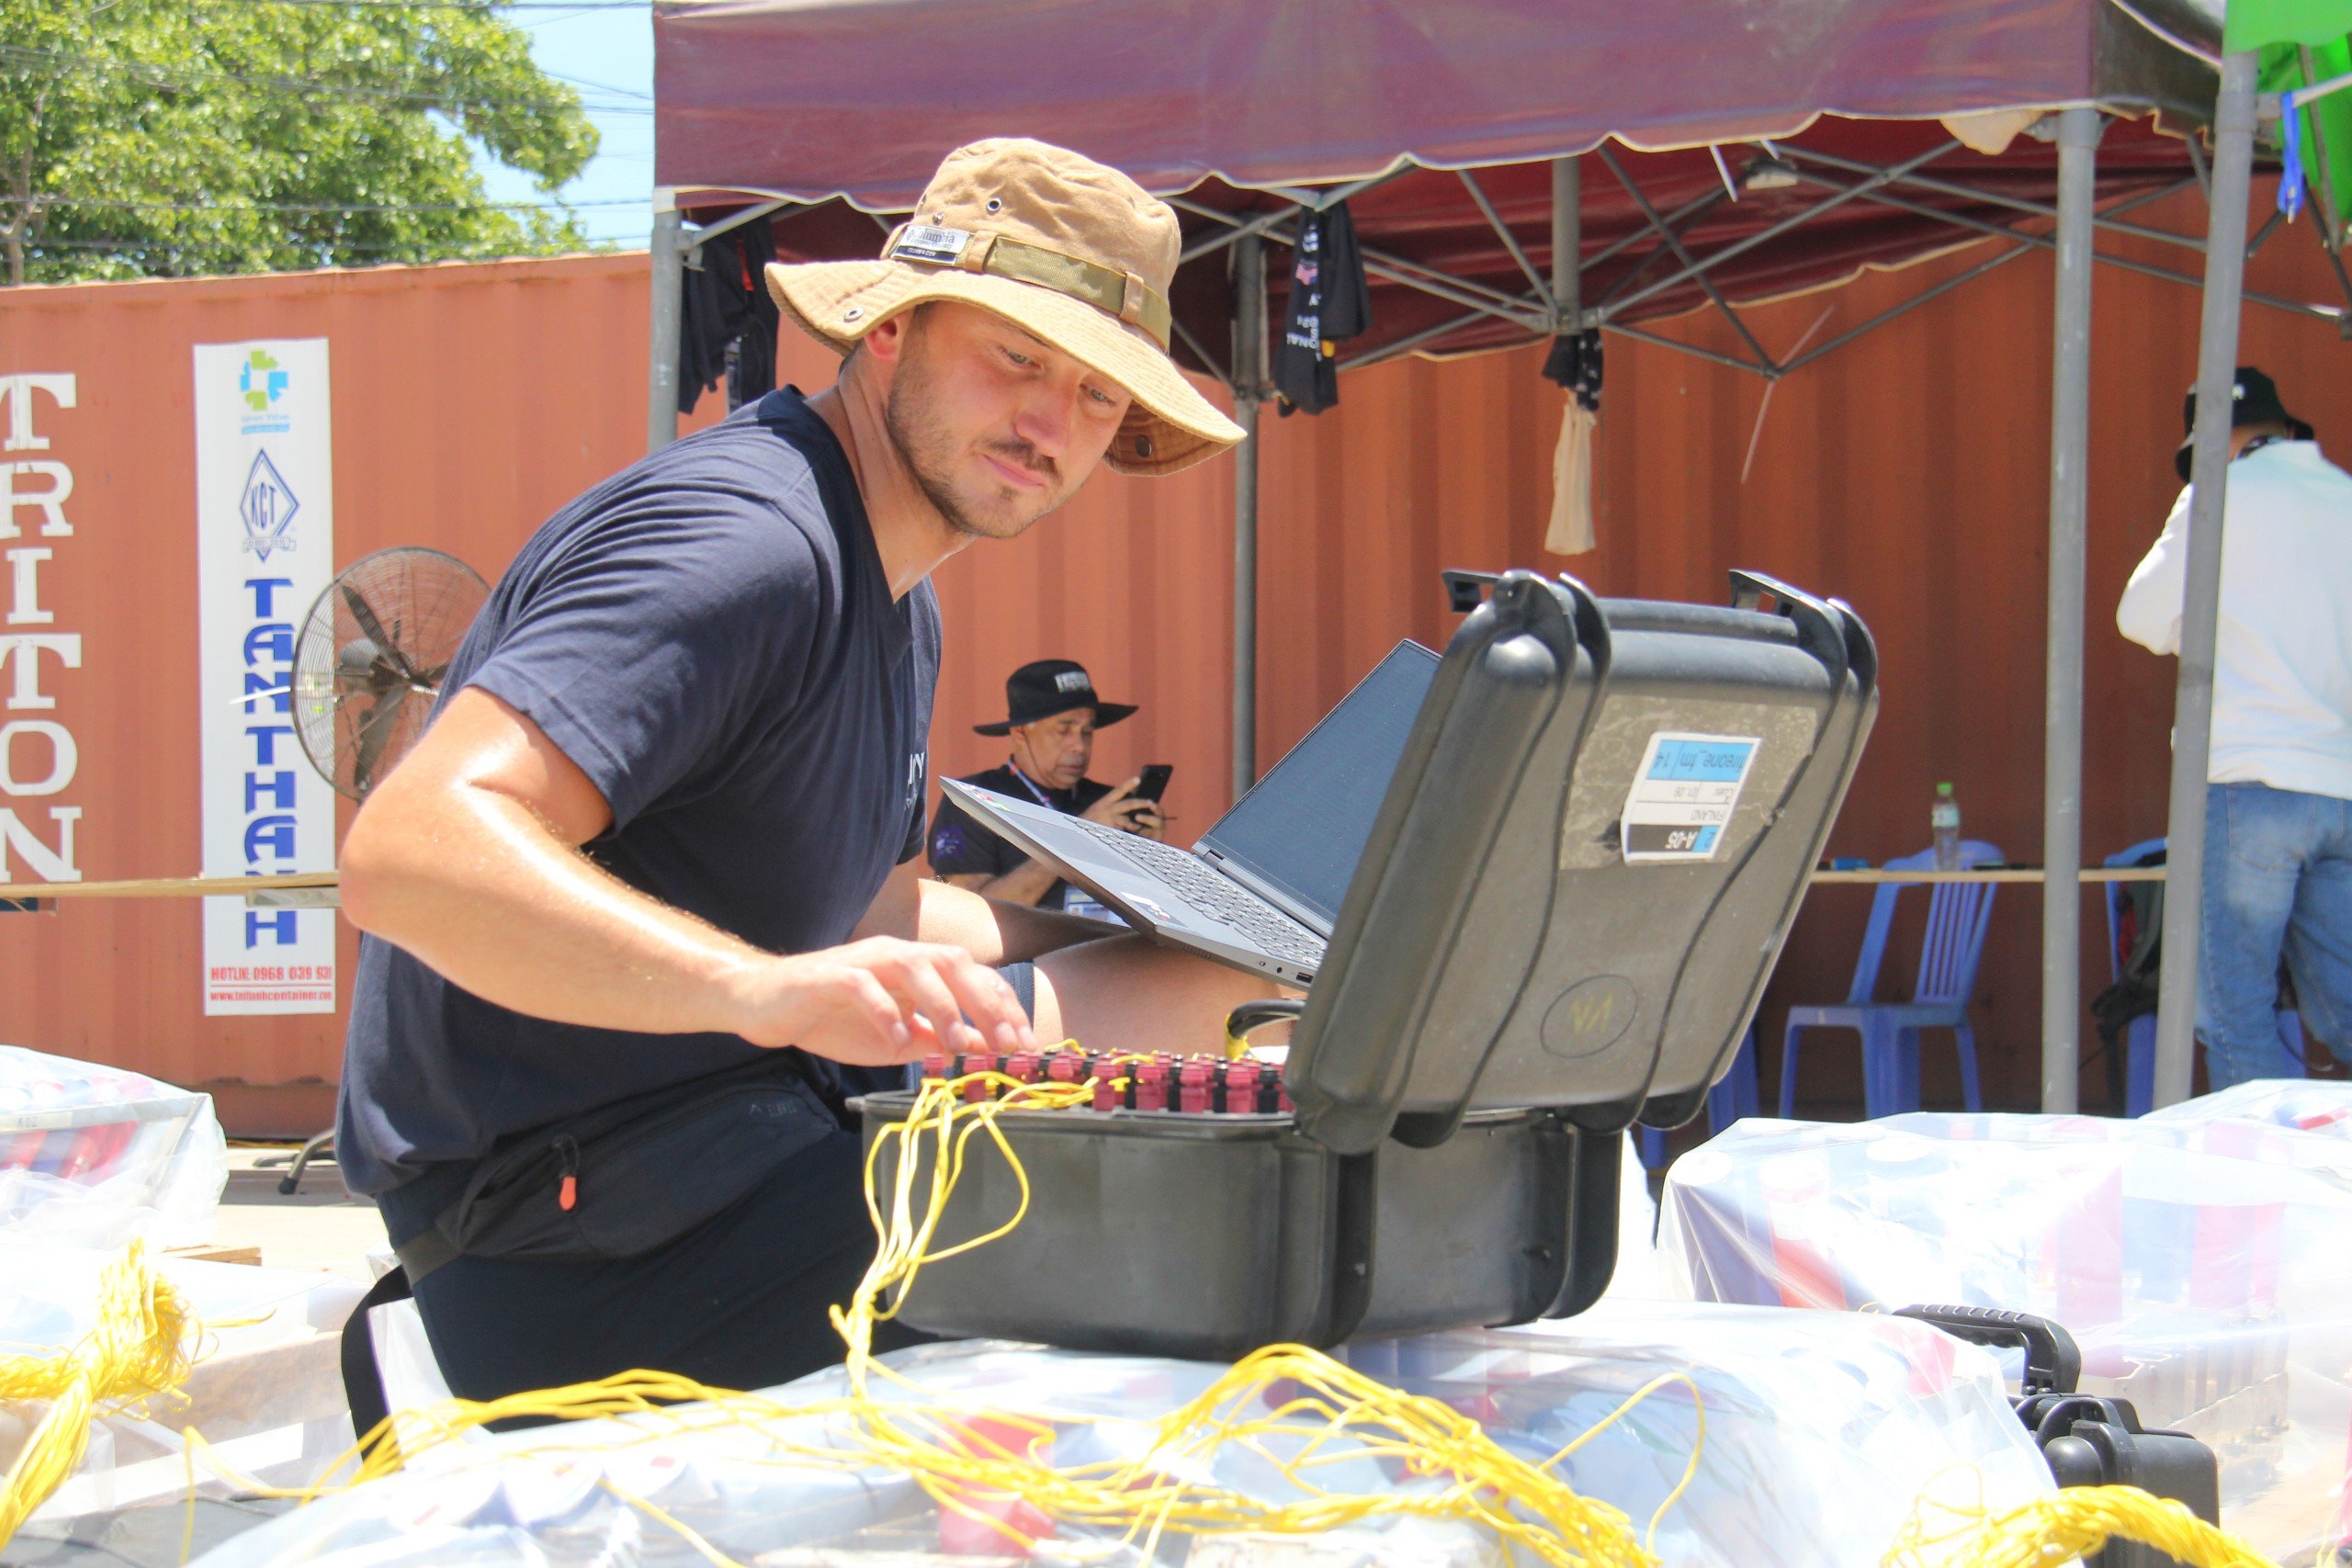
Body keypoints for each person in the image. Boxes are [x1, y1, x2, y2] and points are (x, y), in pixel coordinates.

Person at [334, 138, 1287, 1402]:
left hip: (753, 1147)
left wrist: (1127, 918)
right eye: (1016, 355)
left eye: (1098, 395)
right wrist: (764, 989)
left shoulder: (898, 595)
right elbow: (408, 852)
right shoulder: (747, 547)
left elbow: (871, 906)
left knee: (1223, 1007)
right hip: (573, 1240)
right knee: (1212, 1276)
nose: (1052, 425)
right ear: (892, 329)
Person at [2117, 366, 2352, 1091]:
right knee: (2346, 1010)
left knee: (2235, 1012)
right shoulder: (2345, 497)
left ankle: (2259, 1191)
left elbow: (2140, 616)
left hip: (2246, 781)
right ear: (2286, 429)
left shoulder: (2215, 497)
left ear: (2213, 444)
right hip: (2341, 784)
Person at [929, 659, 1162, 913]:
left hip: (1106, 947)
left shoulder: (1107, 803)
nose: (1079, 746)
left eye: (1087, 732)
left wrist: (1149, 857)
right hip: (1018, 953)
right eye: (1064, 730)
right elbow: (969, 914)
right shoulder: (971, 802)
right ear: (1020, 733)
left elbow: (1149, 913)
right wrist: (1078, 836)